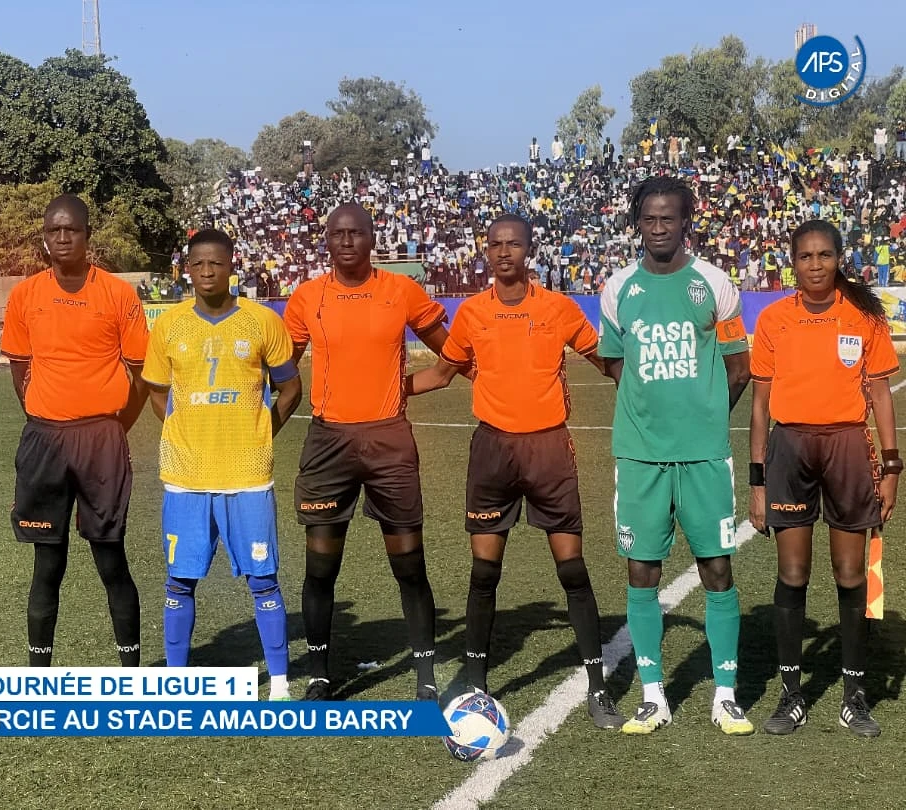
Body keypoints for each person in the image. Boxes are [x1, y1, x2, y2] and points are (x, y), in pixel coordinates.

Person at [407, 214, 623, 728]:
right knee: (485, 573)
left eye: (514, 244)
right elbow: (442, 373)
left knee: (571, 568)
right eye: (496, 245)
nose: (504, 252)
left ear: (528, 250)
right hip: (492, 450)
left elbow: (605, 362)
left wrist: (649, 385)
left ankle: (598, 687)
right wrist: (384, 394)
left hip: (549, 449)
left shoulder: (557, 307)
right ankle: (476, 680)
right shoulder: (472, 313)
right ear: (486, 251)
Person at [599, 176, 754, 735]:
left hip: (705, 456)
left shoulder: (716, 284)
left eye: (669, 218)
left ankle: (727, 695)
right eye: (649, 218)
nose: (658, 227)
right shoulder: (617, 289)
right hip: (639, 456)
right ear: (637, 222)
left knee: (717, 567)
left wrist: (707, 415)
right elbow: (615, 364)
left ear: (687, 220)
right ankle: (652, 695)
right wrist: (649, 409)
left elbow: (740, 366)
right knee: (642, 571)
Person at [283, 202, 450, 701]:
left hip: (388, 441)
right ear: (327, 240)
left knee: (409, 564)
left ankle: (425, 678)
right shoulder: (306, 297)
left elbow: (454, 354)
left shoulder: (401, 290)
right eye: (338, 233)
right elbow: (281, 366)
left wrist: (410, 387)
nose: (347, 241)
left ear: (373, 238)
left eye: (356, 233)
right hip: (328, 441)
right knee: (320, 567)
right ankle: (319, 675)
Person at [750, 219, 900, 737]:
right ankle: (792, 695)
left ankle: (854, 695)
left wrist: (893, 467)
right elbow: (761, 403)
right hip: (789, 451)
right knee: (793, 574)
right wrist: (756, 479)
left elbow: (880, 394)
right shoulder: (774, 319)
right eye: (805, 257)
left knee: (851, 574)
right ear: (792, 263)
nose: (815, 265)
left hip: (848, 451)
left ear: (839, 258)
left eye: (825, 255)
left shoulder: (864, 316)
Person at [142, 229, 302, 699]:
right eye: (198, 264)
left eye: (216, 263)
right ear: (187, 269)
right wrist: (181, 428)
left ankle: (280, 683)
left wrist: (260, 429)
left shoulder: (262, 321)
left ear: (232, 265)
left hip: (246, 475)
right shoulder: (169, 325)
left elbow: (291, 388)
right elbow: (155, 390)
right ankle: (175, 677)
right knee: (179, 579)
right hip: (185, 477)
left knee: (263, 578)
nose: (207, 272)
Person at [0, 194, 149, 667]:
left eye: (71, 230)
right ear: (44, 236)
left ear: (87, 235)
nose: (62, 238)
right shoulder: (25, 295)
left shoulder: (118, 294)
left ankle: (131, 676)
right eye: (53, 230)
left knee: (111, 560)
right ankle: (38, 678)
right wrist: (41, 416)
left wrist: (114, 424)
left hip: (101, 441)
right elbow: (20, 366)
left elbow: (142, 372)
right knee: (48, 564)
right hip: (45, 439)